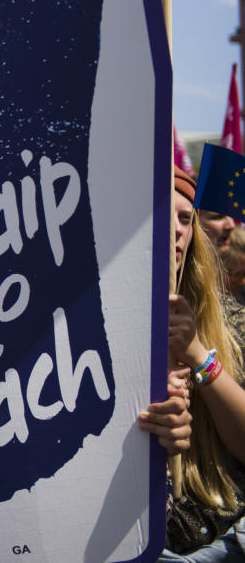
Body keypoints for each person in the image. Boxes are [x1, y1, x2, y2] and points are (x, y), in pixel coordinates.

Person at [150, 168, 245, 561]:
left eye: (185, 218)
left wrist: (199, 357)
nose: (175, 229)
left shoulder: (232, 321)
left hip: (226, 540)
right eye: (158, 212)